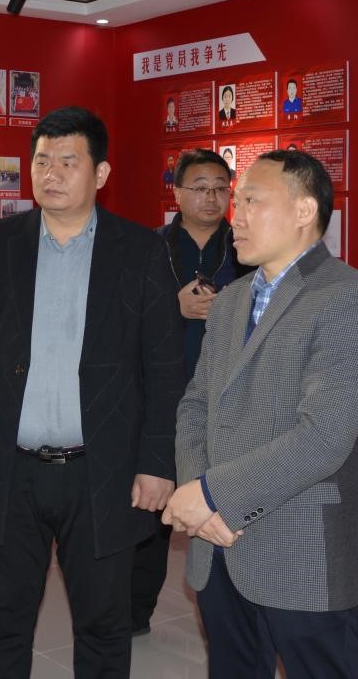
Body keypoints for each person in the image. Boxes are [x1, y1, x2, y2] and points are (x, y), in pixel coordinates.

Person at [0, 106, 185, 678]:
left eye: (68, 162)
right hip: (9, 468)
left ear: (101, 173)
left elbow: (165, 368)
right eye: (42, 160)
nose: (51, 173)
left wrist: (157, 462)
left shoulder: (141, 250)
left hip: (103, 471)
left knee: (103, 626)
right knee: (1, 623)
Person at [163, 150, 358, 679]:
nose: (235, 216)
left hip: (300, 550)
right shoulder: (230, 300)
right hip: (217, 548)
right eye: (237, 202)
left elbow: (323, 438)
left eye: (251, 201)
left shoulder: (352, 298)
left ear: (303, 210)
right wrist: (201, 498)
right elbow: (196, 406)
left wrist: (212, 495)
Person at [131, 149, 254, 635]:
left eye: (221, 188)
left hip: (228, 400)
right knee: (150, 508)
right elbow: (119, 317)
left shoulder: (248, 247)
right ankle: (134, 613)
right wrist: (172, 308)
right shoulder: (147, 248)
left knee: (225, 505)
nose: (211, 197)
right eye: (200, 188)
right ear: (177, 193)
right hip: (159, 396)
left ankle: (233, 615)